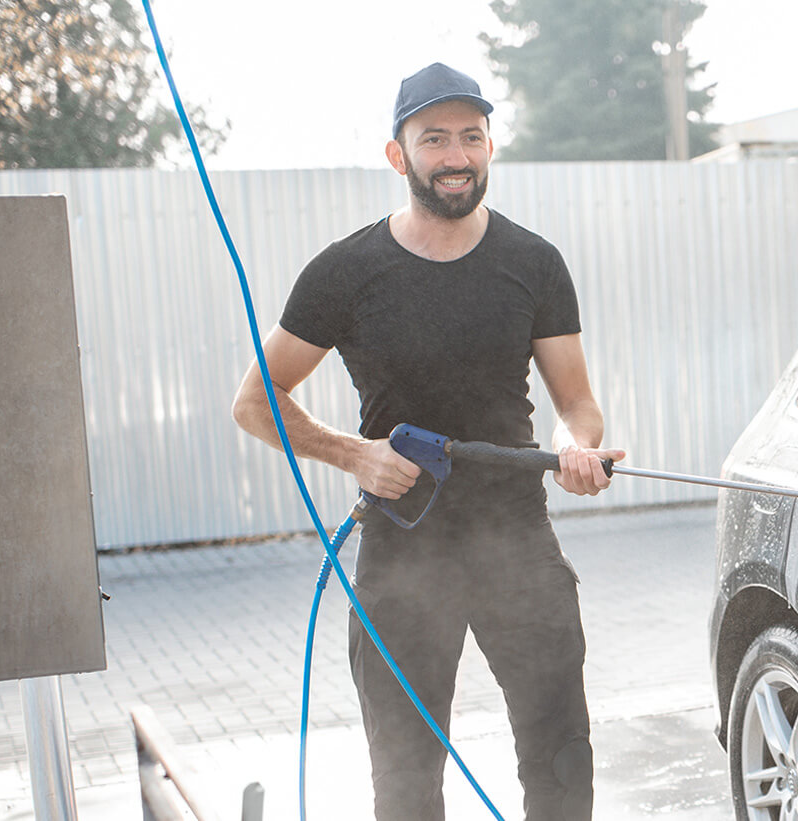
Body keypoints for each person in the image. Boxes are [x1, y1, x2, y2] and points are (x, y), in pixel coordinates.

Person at [231, 62, 619, 821]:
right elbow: (253, 401)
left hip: (518, 546)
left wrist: (579, 447)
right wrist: (354, 453)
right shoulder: (346, 272)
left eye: (470, 136)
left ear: (490, 147)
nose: (455, 155)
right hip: (404, 555)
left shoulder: (532, 262)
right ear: (396, 153)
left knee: (563, 765)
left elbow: (578, 403)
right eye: (433, 137)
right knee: (405, 788)